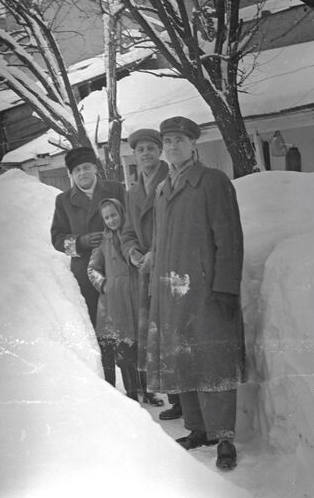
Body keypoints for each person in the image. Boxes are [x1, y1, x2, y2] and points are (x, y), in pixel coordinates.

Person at [147, 116, 245, 471]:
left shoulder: (213, 182)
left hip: (206, 291)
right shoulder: (162, 189)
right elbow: (158, 244)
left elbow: (229, 238)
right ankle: (198, 429)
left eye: (178, 140)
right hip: (172, 291)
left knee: (212, 359)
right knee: (182, 356)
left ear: (193, 145)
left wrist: (225, 287)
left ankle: (224, 437)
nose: (172, 147)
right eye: (167, 141)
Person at [50, 146, 125, 386]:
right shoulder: (63, 201)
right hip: (86, 273)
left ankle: (140, 389)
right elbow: (57, 239)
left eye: (86, 167)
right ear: (71, 174)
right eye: (77, 170)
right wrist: (80, 242)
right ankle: (109, 386)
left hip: (119, 267)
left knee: (126, 324)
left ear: (95, 167)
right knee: (99, 329)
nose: (82, 173)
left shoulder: (115, 189)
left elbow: (130, 222)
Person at [120, 128, 175, 413]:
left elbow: (174, 224)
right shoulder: (132, 192)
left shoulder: (171, 179)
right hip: (145, 268)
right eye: (140, 150)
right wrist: (132, 252)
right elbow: (127, 229)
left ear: (159, 151)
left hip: (169, 263)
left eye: (150, 149)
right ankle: (174, 396)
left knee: (172, 331)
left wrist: (156, 251)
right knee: (154, 335)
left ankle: (180, 398)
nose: (145, 154)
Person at [87, 198, 150, 402]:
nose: (111, 220)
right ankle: (132, 393)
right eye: (106, 217)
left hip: (138, 297)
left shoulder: (134, 235)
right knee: (124, 349)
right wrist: (105, 285)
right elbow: (92, 268)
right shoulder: (103, 242)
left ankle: (149, 391)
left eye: (114, 215)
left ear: (122, 213)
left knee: (143, 346)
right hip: (116, 303)